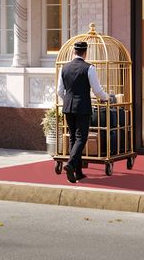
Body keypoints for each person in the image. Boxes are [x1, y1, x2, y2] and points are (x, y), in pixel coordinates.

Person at [58, 40, 110, 183]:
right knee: (81, 138)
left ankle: (78, 172)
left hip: (68, 107)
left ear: (73, 51)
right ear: (85, 53)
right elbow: (97, 90)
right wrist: (106, 98)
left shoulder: (64, 68)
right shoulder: (89, 68)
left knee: (73, 138)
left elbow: (59, 91)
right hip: (82, 107)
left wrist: (67, 100)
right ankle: (70, 165)